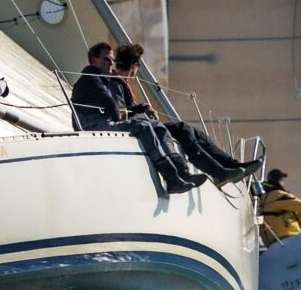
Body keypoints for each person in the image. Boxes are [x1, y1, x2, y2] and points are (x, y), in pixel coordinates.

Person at [112, 45, 262, 184]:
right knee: (183, 131)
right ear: (134, 65)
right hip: (137, 129)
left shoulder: (120, 83)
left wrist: (141, 108)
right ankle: (219, 173)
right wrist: (142, 108)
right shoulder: (116, 83)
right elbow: (120, 112)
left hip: (142, 126)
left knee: (195, 132)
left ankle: (233, 165)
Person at [71, 42, 203, 193]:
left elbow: (115, 108)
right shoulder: (90, 78)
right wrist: (121, 115)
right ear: (94, 60)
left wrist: (142, 107)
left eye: (112, 60)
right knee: (143, 126)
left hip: (103, 122)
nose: (111, 64)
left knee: (157, 126)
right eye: (106, 59)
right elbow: (112, 106)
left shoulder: (102, 79)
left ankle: (182, 172)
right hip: (92, 126)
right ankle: (171, 178)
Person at [257, 170, 301, 245]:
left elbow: (281, 214)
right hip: (286, 238)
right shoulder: (278, 194)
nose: (283, 182)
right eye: (282, 180)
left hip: (273, 241)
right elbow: (300, 205)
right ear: (278, 181)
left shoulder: (265, 197)